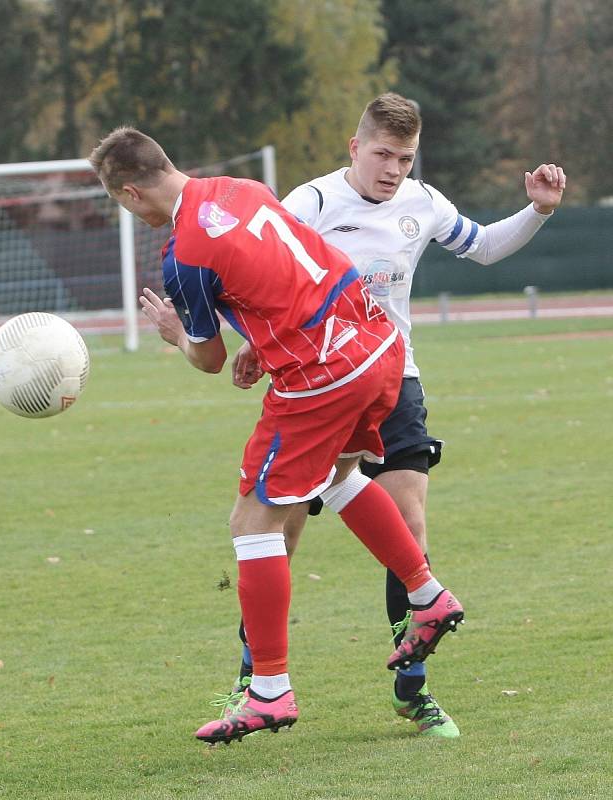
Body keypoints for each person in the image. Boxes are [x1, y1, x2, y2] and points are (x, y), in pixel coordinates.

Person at [89, 126, 466, 745]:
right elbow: (294, 274)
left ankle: (268, 689)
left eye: (122, 203)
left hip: (321, 373)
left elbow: (207, 360)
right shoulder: (243, 188)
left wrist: (173, 334)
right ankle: (427, 596)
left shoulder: (182, 255)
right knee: (341, 476)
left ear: (131, 192)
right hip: (376, 343)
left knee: (252, 523)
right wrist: (264, 347)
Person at [227, 93, 566, 738]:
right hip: (314, 386)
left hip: (393, 378)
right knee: (282, 532)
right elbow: (257, 272)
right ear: (355, 148)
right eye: (383, 154)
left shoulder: (425, 202)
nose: (393, 170)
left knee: (409, 528)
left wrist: (538, 212)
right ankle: (255, 676)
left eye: (405, 159)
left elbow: (486, 247)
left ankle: (413, 687)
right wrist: (250, 342)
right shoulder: (311, 205)